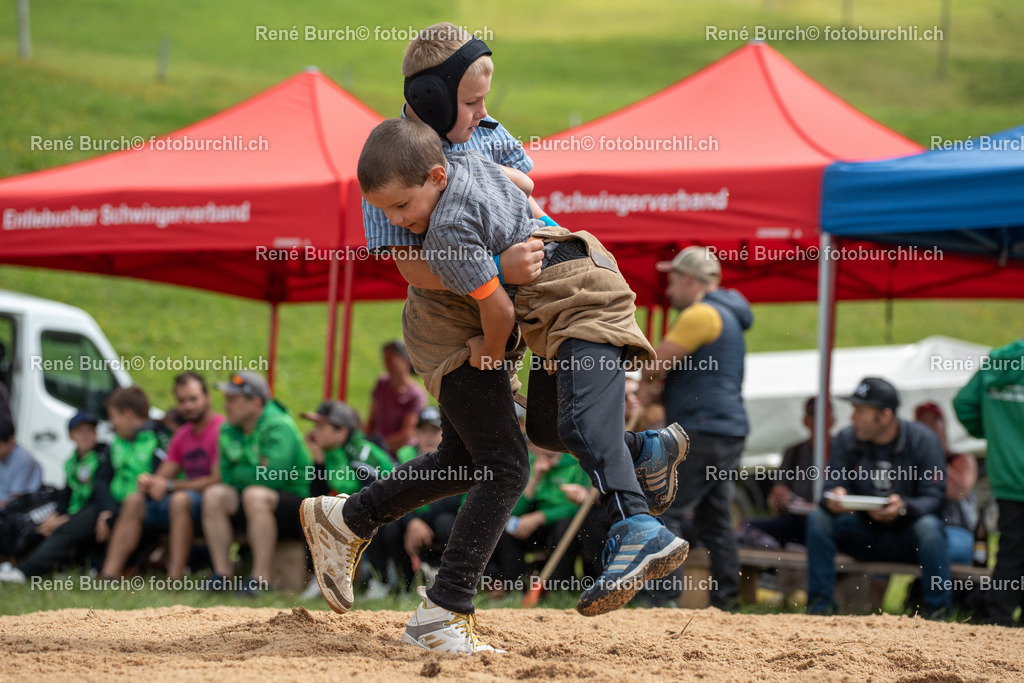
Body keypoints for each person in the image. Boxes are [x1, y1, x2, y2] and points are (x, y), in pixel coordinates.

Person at [301, 25, 686, 654]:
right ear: (429, 100)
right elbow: (410, 265)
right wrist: (497, 269)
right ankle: (443, 610)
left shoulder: (481, 136)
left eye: (485, 101)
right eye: (472, 103)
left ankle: (347, 518)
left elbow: (526, 192)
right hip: (456, 321)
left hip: (500, 314)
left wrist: (502, 206)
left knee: (470, 456)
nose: (484, 114)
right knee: (505, 463)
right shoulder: (392, 163)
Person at [356, 117, 690, 616]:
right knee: (550, 428)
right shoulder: (465, 162)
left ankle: (637, 526)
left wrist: (493, 355)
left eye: (402, 206)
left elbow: (498, 309)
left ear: (436, 177)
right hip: (562, 301)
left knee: (571, 424)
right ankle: (647, 449)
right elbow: (523, 182)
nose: (398, 220)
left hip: (578, 298)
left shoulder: (447, 227)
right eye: (386, 210)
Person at [642, 246, 753, 609]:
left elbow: (657, 362)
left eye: (672, 281)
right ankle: (726, 601)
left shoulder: (700, 314)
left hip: (701, 429)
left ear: (689, 279)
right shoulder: (730, 315)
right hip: (727, 428)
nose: (669, 291)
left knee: (666, 505)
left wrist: (648, 383)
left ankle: (664, 599)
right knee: (714, 517)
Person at [806, 377, 950, 618]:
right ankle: (820, 608)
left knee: (929, 527)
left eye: (861, 412)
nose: (853, 418)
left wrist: (904, 506)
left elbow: (935, 498)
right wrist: (835, 497)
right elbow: (829, 489)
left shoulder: (923, 440)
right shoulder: (845, 439)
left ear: (885, 416)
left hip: (908, 536)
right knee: (819, 519)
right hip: (863, 533)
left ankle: (939, 613)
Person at [99, 373, 222, 580]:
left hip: (211, 504)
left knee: (180, 500)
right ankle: (108, 574)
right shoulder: (183, 434)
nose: (188, 406)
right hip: (182, 500)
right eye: (182, 401)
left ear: (207, 397)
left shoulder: (221, 429)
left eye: (193, 399)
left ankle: (175, 577)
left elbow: (218, 479)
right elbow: (165, 473)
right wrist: (149, 482)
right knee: (134, 500)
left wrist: (170, 485)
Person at [202, 371, 310, 593]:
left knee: (255, 494)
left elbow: (273, 477)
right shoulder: (228, 428)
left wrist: (244, 472)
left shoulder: (280, 425)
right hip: (251, 497)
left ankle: (261, 579)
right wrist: (254, 470)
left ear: (255, 403)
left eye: (233, 400)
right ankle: (222, 575)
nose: (226, 406)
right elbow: (227, 476)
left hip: (294, 505)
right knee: (214, 495)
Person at [954, 338, 1024, 627]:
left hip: (1007, 473)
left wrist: (993, 434)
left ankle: (999, 616)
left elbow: (964, 404)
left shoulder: (998, 361)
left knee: (1011, 546)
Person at [0, 410, 115, 582]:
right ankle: (19, 564)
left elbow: (98, 495)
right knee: (41, 525)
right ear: (71, 436)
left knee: (62, 529)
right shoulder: (72, 462)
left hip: (93, 512)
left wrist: (64, 520)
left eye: (90, 431)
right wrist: (55, 516)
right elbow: (66, 495)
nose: (85, 435)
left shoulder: (103, 456)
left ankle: (25, 571)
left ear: (96, 433)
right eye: (80, 431)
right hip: (74, 511)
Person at [304, 399, 396, 596]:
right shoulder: (330, 451)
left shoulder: (360, 452)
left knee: (366, 515)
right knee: (312, 512)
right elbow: (316, 493)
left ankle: (380, 580)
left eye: (321, 426)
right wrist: (318, 457)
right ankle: (321, 576)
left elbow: (373, 494)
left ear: (342, 432)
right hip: (358, 505)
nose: (315, 432)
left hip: (394, 508)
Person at [489, 445, 590, 588]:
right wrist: (535, 478)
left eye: (553, 442)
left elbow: (579, 507)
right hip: (532, 527)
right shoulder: (523, 465)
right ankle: (515, 588)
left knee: (565, 526)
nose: (549, 448)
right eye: (542, 443)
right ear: (531, 447)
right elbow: (512, 511)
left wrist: (540, 517)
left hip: (562, 526)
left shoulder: (576, 464)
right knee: (504, 530)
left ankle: (560, 588)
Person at [741, 397, 833, 549]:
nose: (819, 420)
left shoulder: (841, 451)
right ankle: (770, 566)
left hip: (828, 523)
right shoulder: (794, 452)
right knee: (747, 527)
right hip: (797, 522)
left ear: (832, 419)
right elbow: (774, 504)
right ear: (805, 420)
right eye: (814, 415)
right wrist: (779, 499)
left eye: (824, 415)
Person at [96, 386, 167, 556]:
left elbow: (160, 481)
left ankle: (108, 572)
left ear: (127, 413)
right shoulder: (118, 439)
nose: (111, 422)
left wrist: (111, 516)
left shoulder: (158, 439)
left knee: (124, 513)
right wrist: (107, 510)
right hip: (113, 505)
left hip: (144, 506)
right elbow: (101, 479)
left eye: (113, 416)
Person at [914, 401, 978, 565]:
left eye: (934, 420)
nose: (929, 426)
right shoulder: (910, 462)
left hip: (957, 533)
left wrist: (933, 454)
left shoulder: (962, 459)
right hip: (919, 531)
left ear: (945, 427)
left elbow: (958, 492)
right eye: (923, 421)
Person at [365, 340, 427, 456]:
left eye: (391, 359)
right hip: (378, 447)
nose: (386, 364)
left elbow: (407, 434)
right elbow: (372, 420)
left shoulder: (415, 394)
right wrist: (367, 442)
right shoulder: (382, 383)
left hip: (402, 453)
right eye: (385, 359)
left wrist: (380, 448)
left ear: (405, 362)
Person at [0, 414, 42, 508]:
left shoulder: (24, 460)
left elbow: (14, 499)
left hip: (15, 509)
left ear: (11, 440)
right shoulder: (2, 456)